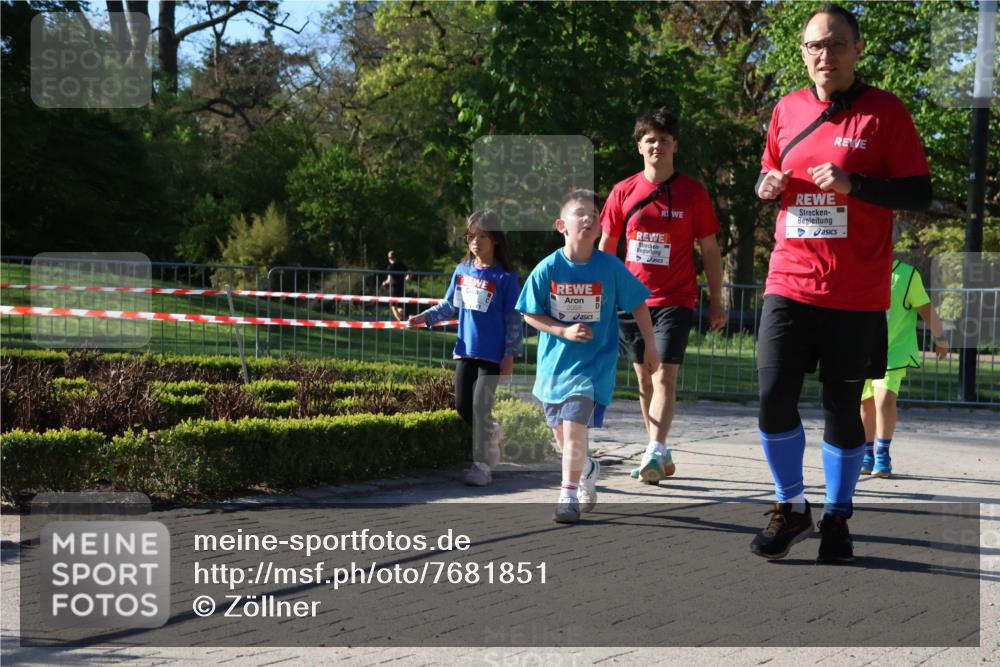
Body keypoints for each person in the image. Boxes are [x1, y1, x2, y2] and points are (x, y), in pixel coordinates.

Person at [749, 3, 931, 563]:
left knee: (842, 406)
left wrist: (856, 185)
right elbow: (767, 171)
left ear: (856, 50)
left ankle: (837, 517)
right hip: (790, 278)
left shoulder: (886, 113)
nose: (823, 55)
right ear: (803, 54)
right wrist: (766, 185)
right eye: (813, 47)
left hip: (855, 291)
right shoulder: (787, 109)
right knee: (773, 396)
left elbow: (919, 193)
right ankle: (791, 507)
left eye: (834, 45)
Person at [599, 107, 727, 486]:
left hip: (676, 298)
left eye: (664, 140)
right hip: (631, 300)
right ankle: (659, 449)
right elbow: (608, 247)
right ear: (640, 146)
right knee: (644, 380)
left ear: (675, 146)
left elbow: (710, 250)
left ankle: (654, 448)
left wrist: (716, 299)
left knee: (665, 376)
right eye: (650, 139)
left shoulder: (693, 193)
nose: (657, 145)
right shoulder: (623, 191)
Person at [518, 189, 658, 524]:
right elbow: (528, 313)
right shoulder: (548, 268)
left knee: (575, 418)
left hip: (593, 366)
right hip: (554, 366)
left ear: (599, 229)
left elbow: (638, 303)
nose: (588, 218)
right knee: (563, 436)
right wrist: (563, 331)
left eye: (594, 216)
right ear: (561, 225)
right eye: (579, 213)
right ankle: (588, 468)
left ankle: (567, 494)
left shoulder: (609, 267)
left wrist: (651, 346)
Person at [407, 211, 522, 486]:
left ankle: (481, 466)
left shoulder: (506, 277)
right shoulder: (462, 271)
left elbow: (513, 320)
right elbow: (450, 306)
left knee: (481, 406)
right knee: (462, 407)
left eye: (483, 236)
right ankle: (492, 431)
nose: (476, 241)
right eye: (471, 236)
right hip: (465, 350)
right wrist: (423, 318)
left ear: (495, 240)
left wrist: (510, 355)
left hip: (492, 356)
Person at [860, 259, 949, 478]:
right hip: (862, 350)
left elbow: (926, 309)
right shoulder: (860, 269)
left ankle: (882, 455)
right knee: (866, 404)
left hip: (894, 350)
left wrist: (941, 337)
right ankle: (866, 453)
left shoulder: (907, 275)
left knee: (884, 399)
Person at [382, 250, 410, 321]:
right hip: (402, 287)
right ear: (395, 257)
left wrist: (384, 283)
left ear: (389, 258)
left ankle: (401, 322)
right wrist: (406, 279)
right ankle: (405, 318)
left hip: (394, 288)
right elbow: (409, 273)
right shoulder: (401, 264)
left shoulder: (390, 267)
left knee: (393, 306)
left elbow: (390, 280)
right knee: (400, 306)